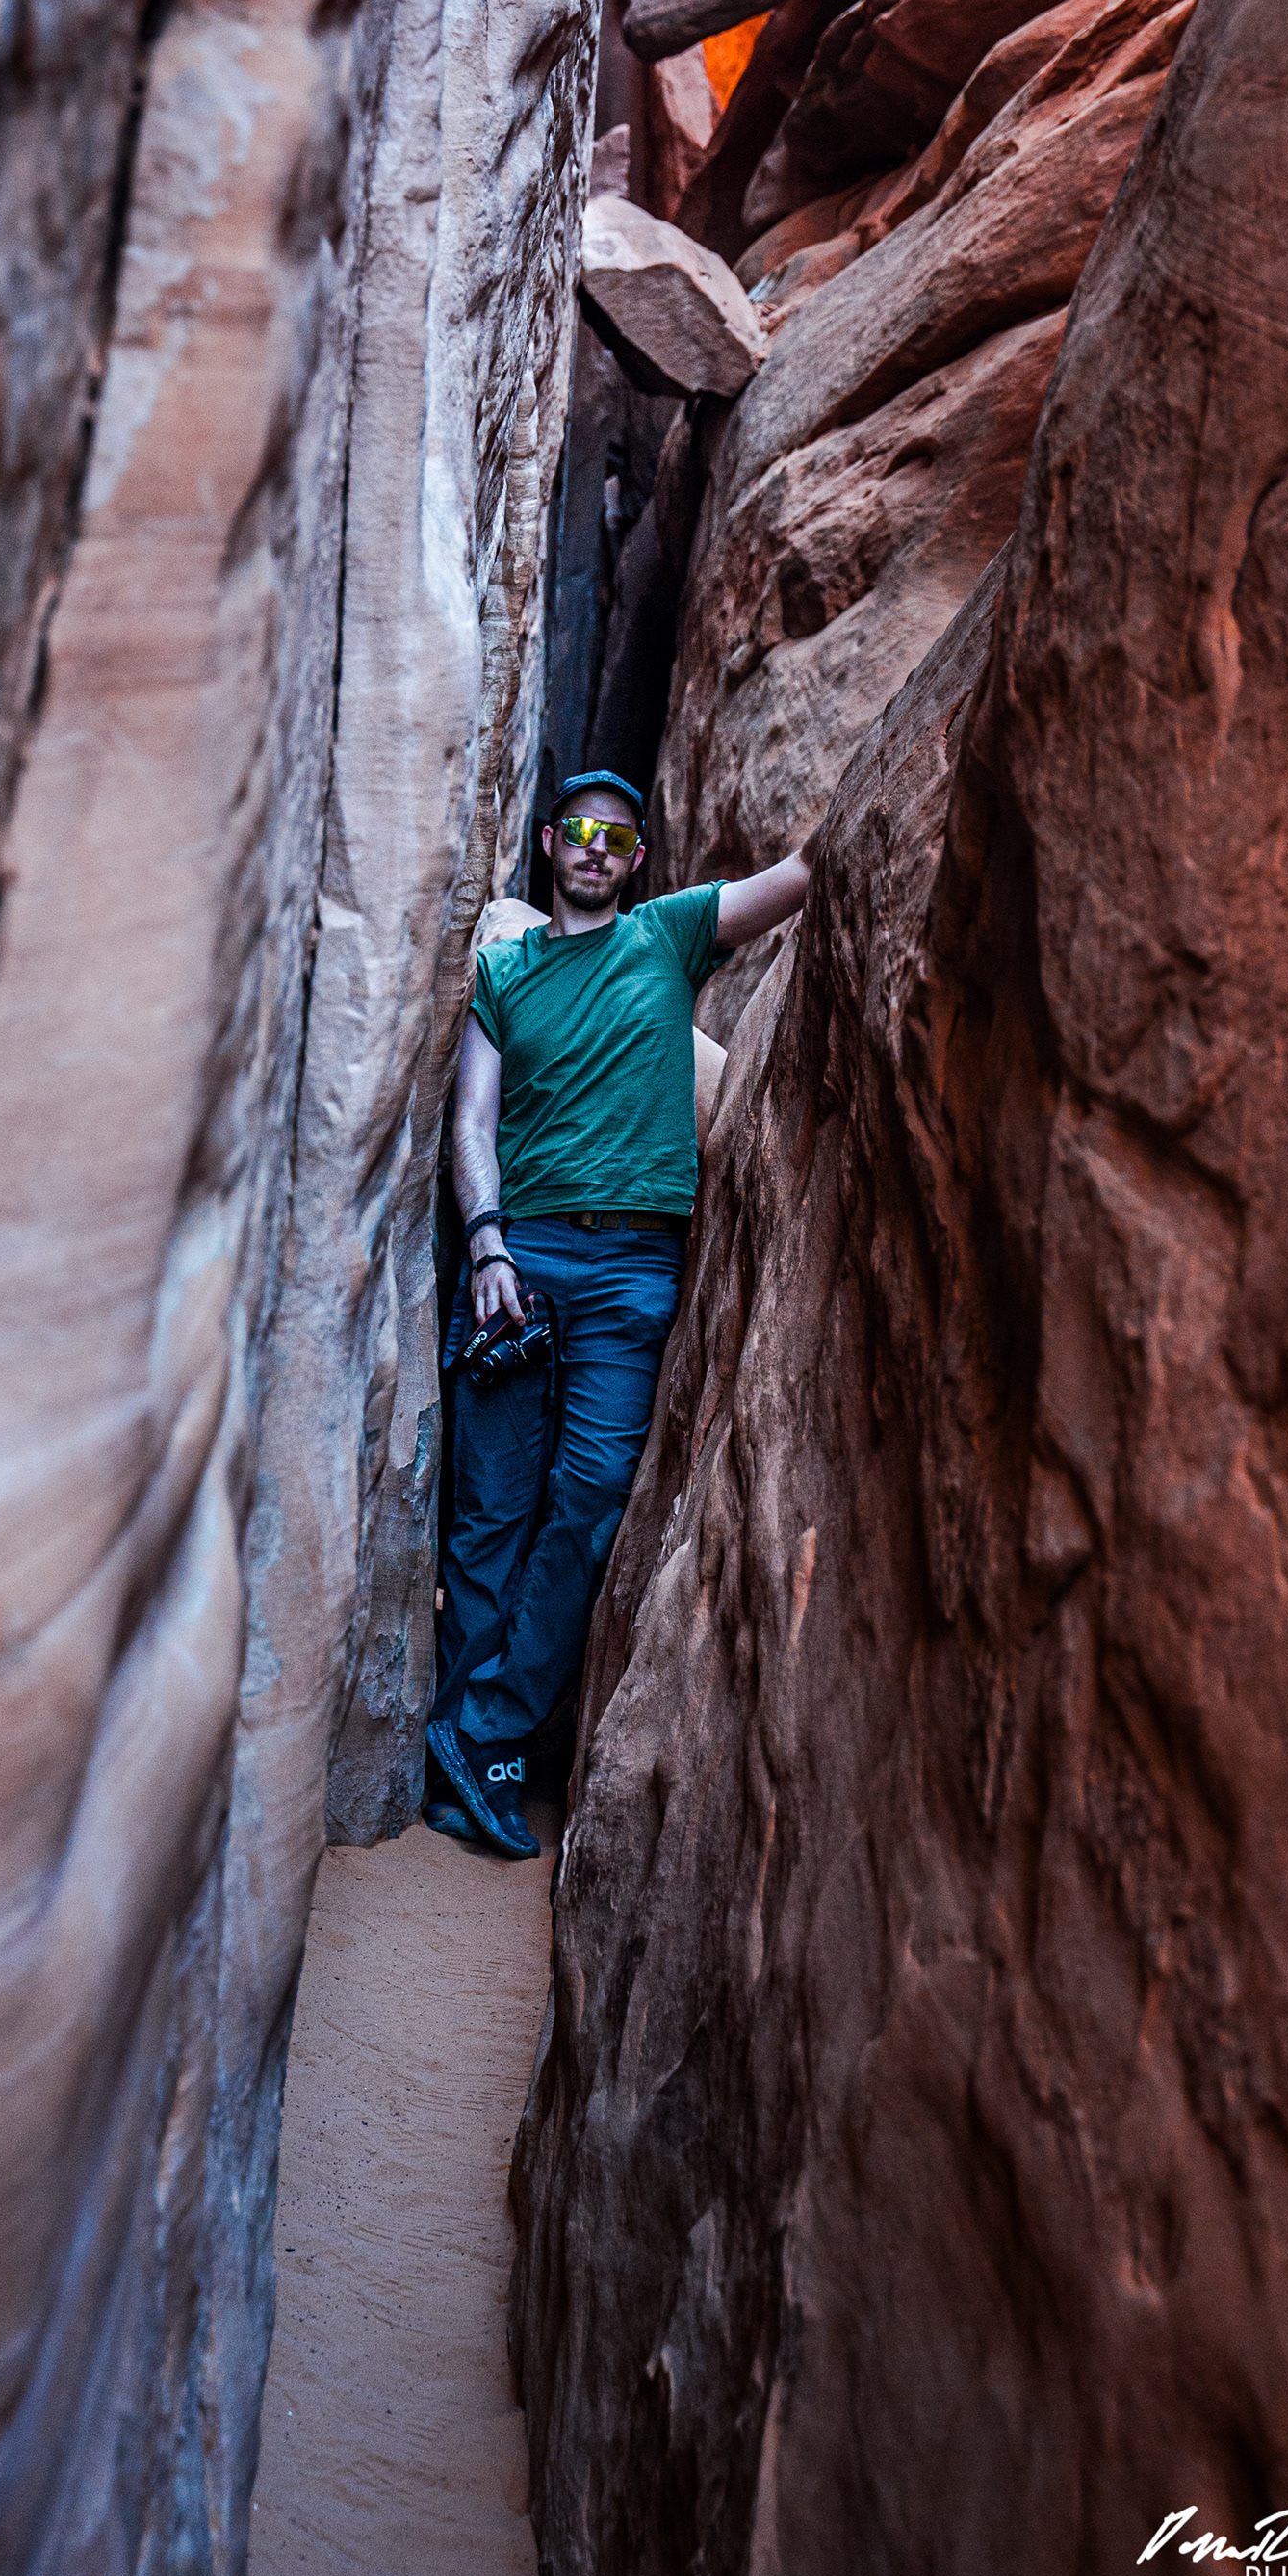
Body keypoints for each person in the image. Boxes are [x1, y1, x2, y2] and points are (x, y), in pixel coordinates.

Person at [425, 768, 815, 1857]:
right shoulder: (504, 975)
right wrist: (488, 1243)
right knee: (491, 1512)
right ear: (549, 843)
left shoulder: (671, 934)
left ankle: (484, 1732)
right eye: (582, 829)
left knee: (590, 1495)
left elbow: (802, 874)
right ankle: (472, 1749)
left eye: (619, 835)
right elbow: (471, 1119)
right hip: (522, 1259)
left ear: (637, 857)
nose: (598, 846)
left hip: (636, 1268)